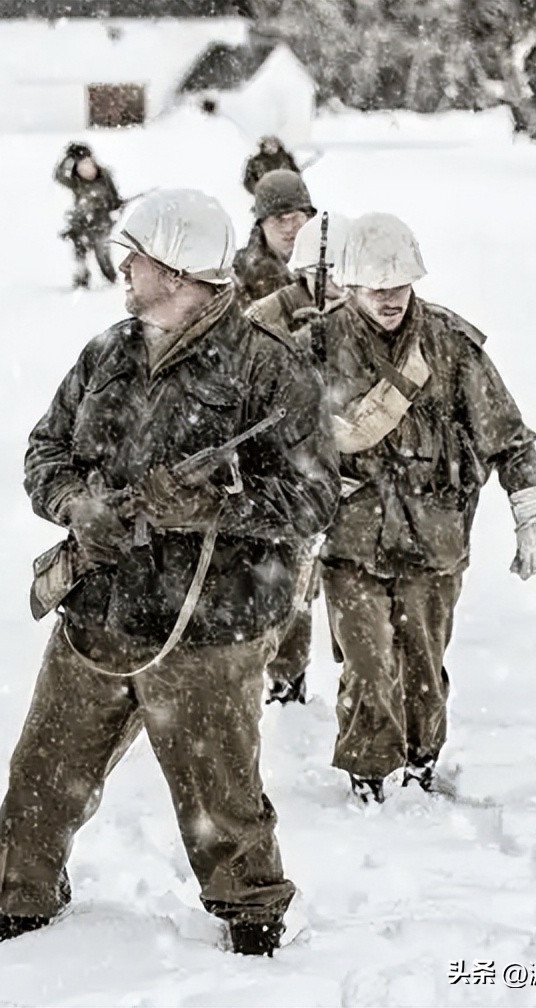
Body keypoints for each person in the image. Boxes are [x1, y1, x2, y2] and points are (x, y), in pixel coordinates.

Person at [0, 189, 340, 956]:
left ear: (175, 271)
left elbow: (314, 497)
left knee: (224, 803)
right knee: (41, 778)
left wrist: (220, 500)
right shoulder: (107, 352)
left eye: (135, 258)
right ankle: (24, 907)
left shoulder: (269, 372)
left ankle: (253, 924)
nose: (124, 269)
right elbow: (45, 451)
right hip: (99, 612)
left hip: (212, 629)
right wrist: (78, 504)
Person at [306, 212, 536, 804]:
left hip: (434, 536)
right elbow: (272, 438)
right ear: (349, 285)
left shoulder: (449, 343)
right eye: (376, 287)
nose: (390, 299)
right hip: (351, 541)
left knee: (423, 662)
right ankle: (367, 771)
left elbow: (508, 436)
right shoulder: (314, 345)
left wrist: (532, 509)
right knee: (366, 666)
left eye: (399, 285)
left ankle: (421, 763)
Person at [246, 212, 350, 706]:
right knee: (294, 583)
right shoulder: (269, 313)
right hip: (298, 465)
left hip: (360, 474)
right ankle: (287, 676)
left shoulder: (371, 311)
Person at [233, 169, 315, 309]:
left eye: (296, 218)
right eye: (279, 220)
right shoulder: (239, 272)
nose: (289, 228)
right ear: (261, 224)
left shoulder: (330, 266)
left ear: (308, 218)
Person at [54, 141, 123, 289]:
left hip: (101, 222)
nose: (86, 169)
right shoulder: (76, 182)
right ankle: (82, 278)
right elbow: (59, 176)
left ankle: (112, 280)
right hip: (82, 222)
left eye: (88, 163)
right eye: (81, 165)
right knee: (80, 249)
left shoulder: (104, 176)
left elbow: (114, 198)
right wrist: (68, 159)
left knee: (102, 253)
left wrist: (116, 207)